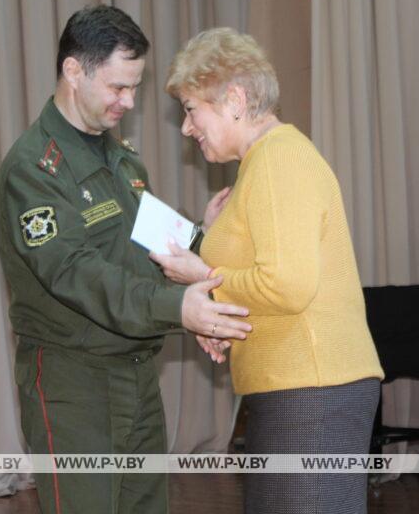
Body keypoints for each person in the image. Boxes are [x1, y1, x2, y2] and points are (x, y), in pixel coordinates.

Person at [0, 6, 252, 514]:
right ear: (73, 71)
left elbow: (151, 243)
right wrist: (179, 309)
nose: (129, 102)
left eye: (134, 87)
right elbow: (78, 275)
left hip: (136, 377)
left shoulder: (121, 158)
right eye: (117, 87)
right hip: (74, 385)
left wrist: (203, 241)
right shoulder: (34, 169)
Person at [152, 28, 385, 514]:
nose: (186, 127)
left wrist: (206, 279)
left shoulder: (280, 158)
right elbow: (268, 281)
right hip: (295, 385)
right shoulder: (261, 164)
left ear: (234, 99)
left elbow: (287, 286)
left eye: (192, 109)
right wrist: (222, 319)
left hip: (313, 389)